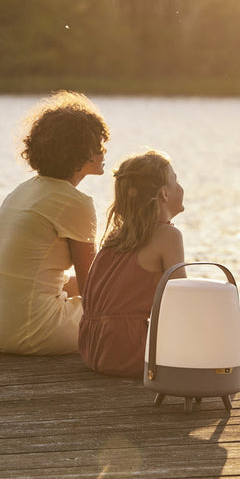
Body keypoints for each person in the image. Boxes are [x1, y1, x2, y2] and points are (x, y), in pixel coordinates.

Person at [0, 91, 110, 355]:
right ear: (80, 153)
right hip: (32, 330)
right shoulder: (74, 202)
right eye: (99, 144)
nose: (104, 150)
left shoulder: (22, 190)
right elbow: (92, 287)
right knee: (123, 306)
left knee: (76, 287)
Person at [79, 150, 186, 377]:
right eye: (176, 180)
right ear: (164, 194)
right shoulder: (168, 236)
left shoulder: (117, 236)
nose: (181, 188)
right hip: (130, 349)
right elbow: (181, 300)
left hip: (93, 346)